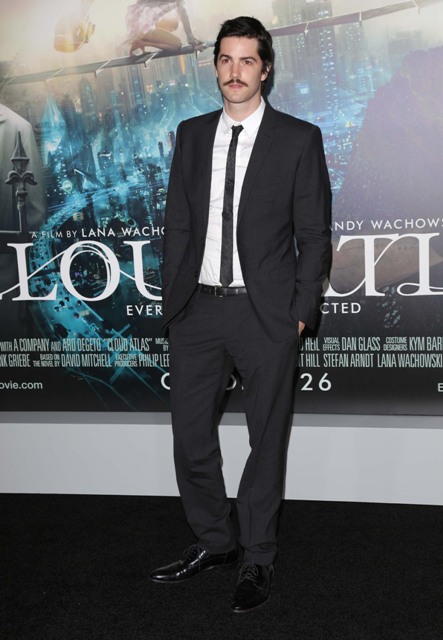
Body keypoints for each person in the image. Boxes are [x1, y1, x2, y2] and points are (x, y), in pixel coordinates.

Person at [151, 16, 331, 613]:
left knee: (266, 442)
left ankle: (257, 555)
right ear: (215, 67)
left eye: (246, 60)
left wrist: (299, 314)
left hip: (266, 316)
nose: (234, 71)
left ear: (266, 68)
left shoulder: (298, 139)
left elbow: (314, 234)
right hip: (197, 311)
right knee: (190, 437)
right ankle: (215, 541)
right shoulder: (191, 134)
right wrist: (174, 301)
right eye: (225, 59)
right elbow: (178, 222)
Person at [126, 0, 202, 55]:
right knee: (177, 45)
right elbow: (184, 16)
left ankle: (141, 40)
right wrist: (192, 41)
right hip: (143, 28)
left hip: (134, 23)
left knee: (175, 23)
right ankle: (141, 43)